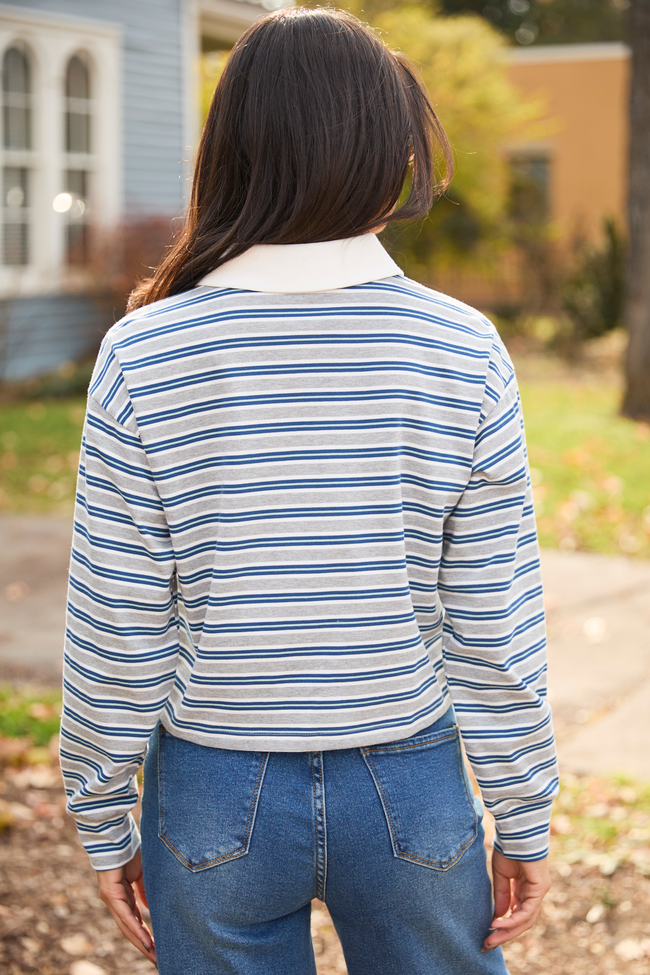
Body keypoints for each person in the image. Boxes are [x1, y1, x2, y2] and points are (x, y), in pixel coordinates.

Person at [60, 7, 559, 974]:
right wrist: (524, 810)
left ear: (232, 152)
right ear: (389, 150)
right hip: (412, 779)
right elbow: (494, 619)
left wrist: (101, 809)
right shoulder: (462, 349)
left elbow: (116, 617)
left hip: (209, 790)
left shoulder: (144, 351)